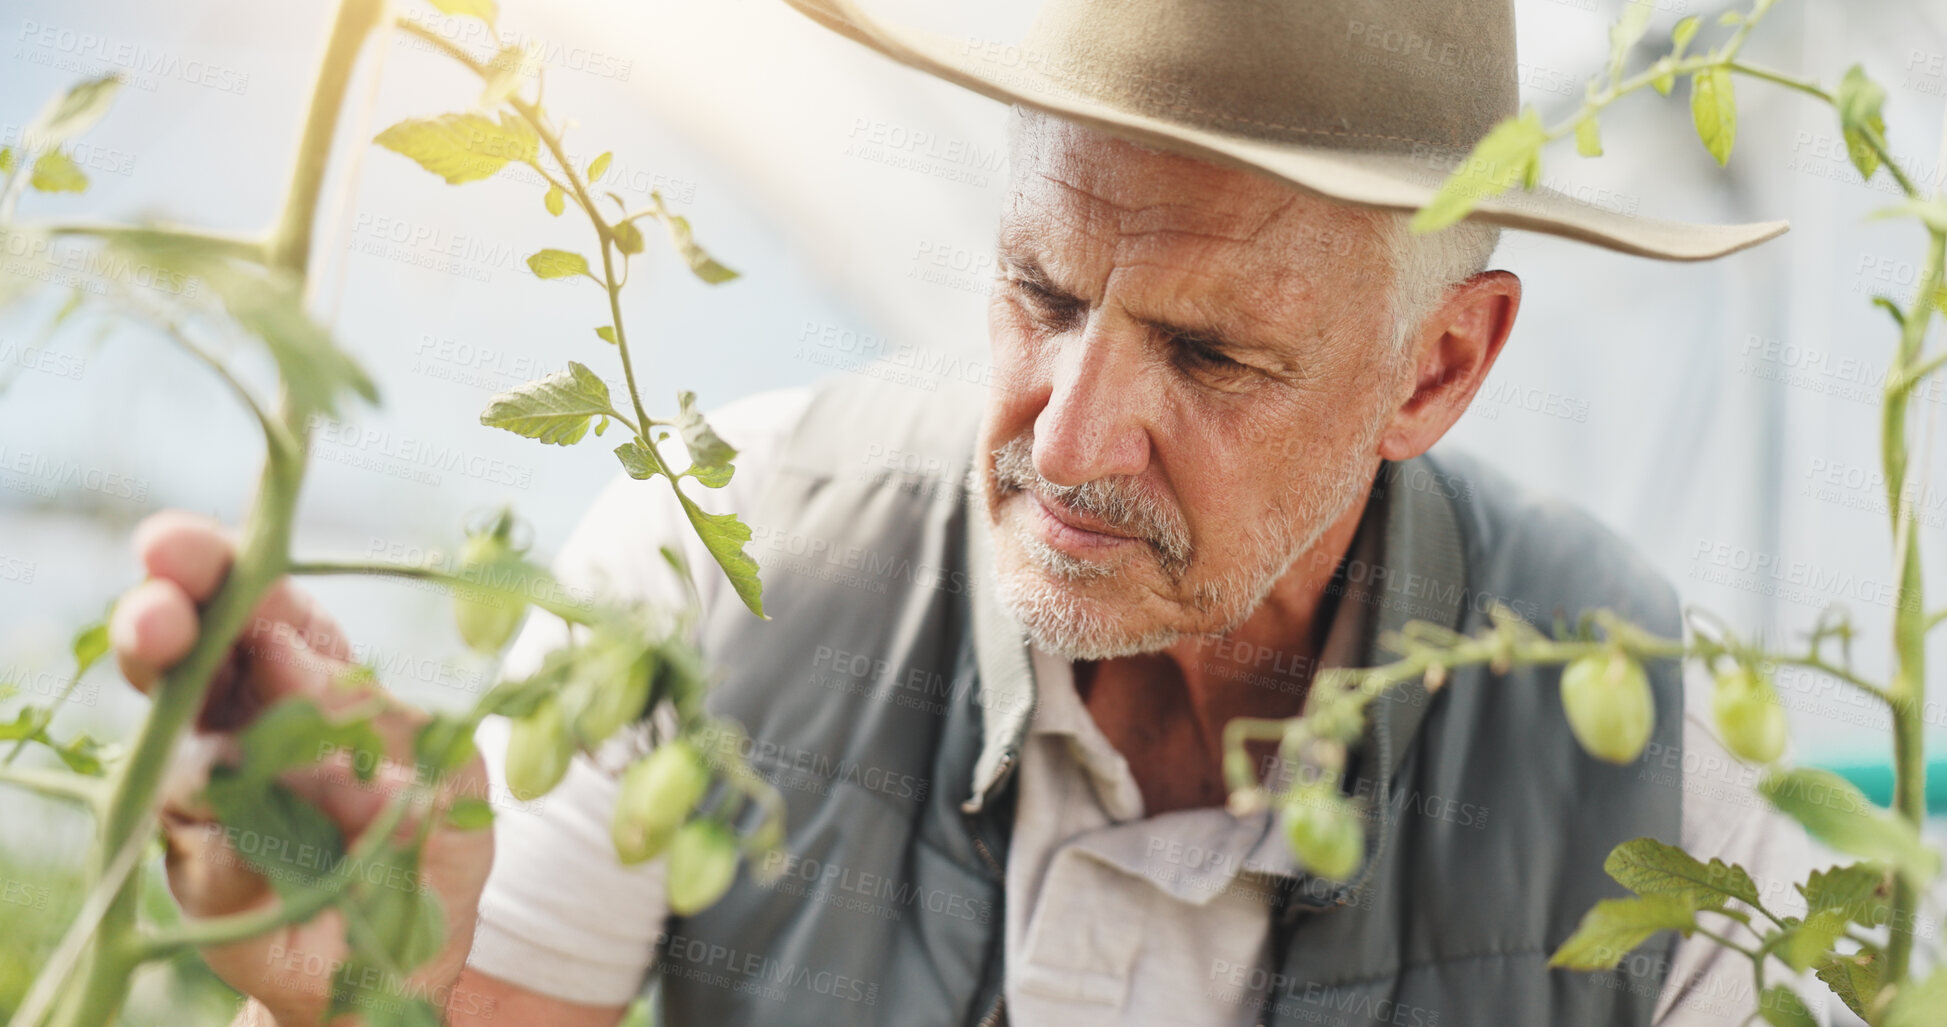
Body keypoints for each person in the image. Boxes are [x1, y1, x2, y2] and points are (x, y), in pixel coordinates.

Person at [111, 0, 1822, 1024]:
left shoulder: (1672, 803)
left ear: (1437, 370)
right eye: (1042, 292)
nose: (1069, 436)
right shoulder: (721, 579)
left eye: (1210, 356)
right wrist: (375, 986)